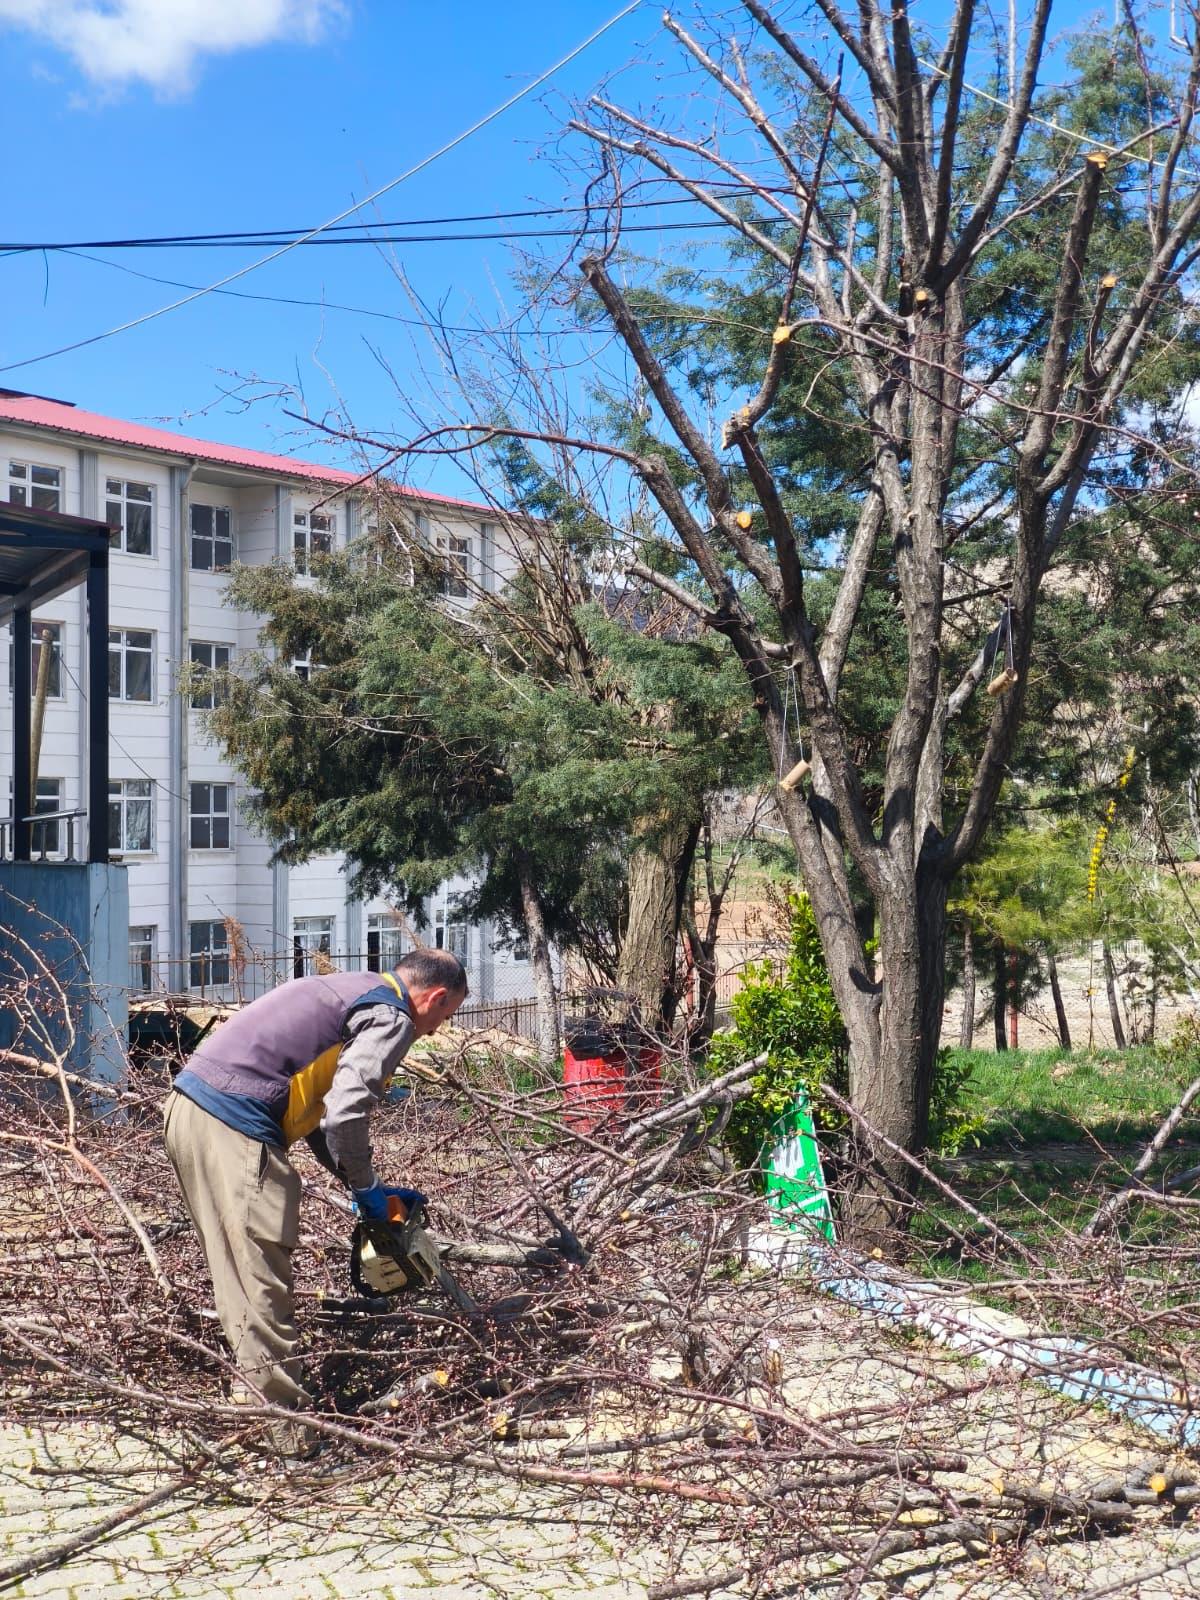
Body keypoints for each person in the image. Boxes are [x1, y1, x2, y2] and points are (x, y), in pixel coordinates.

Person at [163, 946, 468, 1458]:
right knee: (261, 1282)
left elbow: (321, 1115)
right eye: (445, 1016)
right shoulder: (391, 1016)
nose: (436, 1031)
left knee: (237, 1276)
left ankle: (252, 1409)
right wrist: (368, 1189)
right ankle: (291, 1445)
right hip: (235, 1125)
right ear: (435, 997)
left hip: (190, 1109)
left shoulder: (351, 991)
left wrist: (365, 1186)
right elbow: (347, 1113)